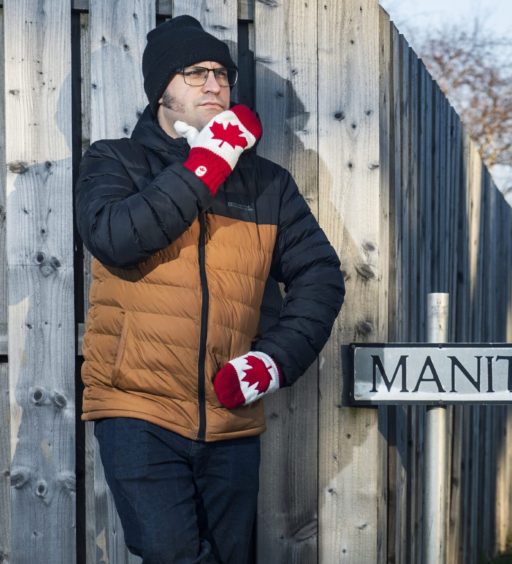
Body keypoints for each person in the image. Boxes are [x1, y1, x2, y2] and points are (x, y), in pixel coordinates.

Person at [75, 15, 345, 563]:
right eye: (194, 72)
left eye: (222, 73)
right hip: (137, 410)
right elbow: (117, 238)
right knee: (172, 553)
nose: (214, 83)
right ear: (161, 90)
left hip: (229, 416)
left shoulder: (268, 184)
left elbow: (321, 277)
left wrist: (272, 362)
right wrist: (207, 165)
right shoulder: (115, 161)